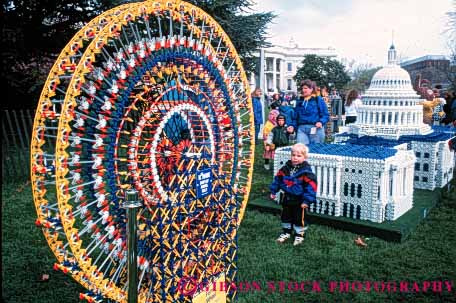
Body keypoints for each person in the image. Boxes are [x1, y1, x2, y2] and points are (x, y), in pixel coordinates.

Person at [270, 143, 317, 246]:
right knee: (285, 215)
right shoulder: (285, 168)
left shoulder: (306, 172)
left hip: (299, 200)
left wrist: (307, 200)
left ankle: (299, 235)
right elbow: (277, 180)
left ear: (305, 157)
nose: (295, 158)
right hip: (286, 197)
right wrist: (273, 191)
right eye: (293, 155)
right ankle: (286, 232)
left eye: (299, 156)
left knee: (299, 217)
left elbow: (311, 187)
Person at [292, 80, 329, 144]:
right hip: (302, 130)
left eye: (305, 88)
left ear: (311, 89)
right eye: (302, 88)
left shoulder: (318, 100)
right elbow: (295, 117)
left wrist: (321, 122)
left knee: (315, 151)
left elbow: (326, 115)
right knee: (302, 150)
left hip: (316, 129)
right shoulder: (299, 101)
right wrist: (292, 126)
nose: (303, 90)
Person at [262, 105, 280, 170]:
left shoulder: (277, 124)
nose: (275, 118)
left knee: (275, 152)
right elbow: (265, 133)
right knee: (268, 152)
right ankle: (266, 163)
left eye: (276, 117)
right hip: (269, 141)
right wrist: (266, 141)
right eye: (273, 116)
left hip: (276, 141)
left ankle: (276, 164)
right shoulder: (268, 124)